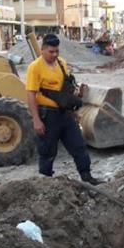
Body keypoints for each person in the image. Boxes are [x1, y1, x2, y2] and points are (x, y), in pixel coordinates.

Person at [25, 34, 103, 185]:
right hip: (47, 115)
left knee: (78, 145)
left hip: (64, 113)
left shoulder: (62, 63)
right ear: (42, 50)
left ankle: (87, 176)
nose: (54, 55)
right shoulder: (35, 68)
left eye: (57, 51)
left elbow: (65, 89)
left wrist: (74, 103)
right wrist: (36, 120)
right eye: (51, 52)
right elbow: (30, 95)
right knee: (47, 151)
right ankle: (45, 182)